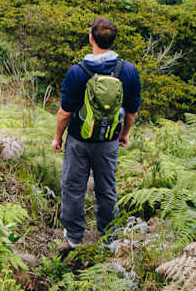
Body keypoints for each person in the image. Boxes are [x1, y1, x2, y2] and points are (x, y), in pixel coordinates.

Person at [51, 17, 141, 247]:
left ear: (91, 37)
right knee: (107, 188)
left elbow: (64, 112)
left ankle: (73, 237)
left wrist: (58, 137)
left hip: (79, 139)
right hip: (108, 140)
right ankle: (109, 238)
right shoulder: (128, 71)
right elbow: (131, 110)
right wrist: (124, 134)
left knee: (73, 187)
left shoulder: (77, 71)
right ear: (113, 40)